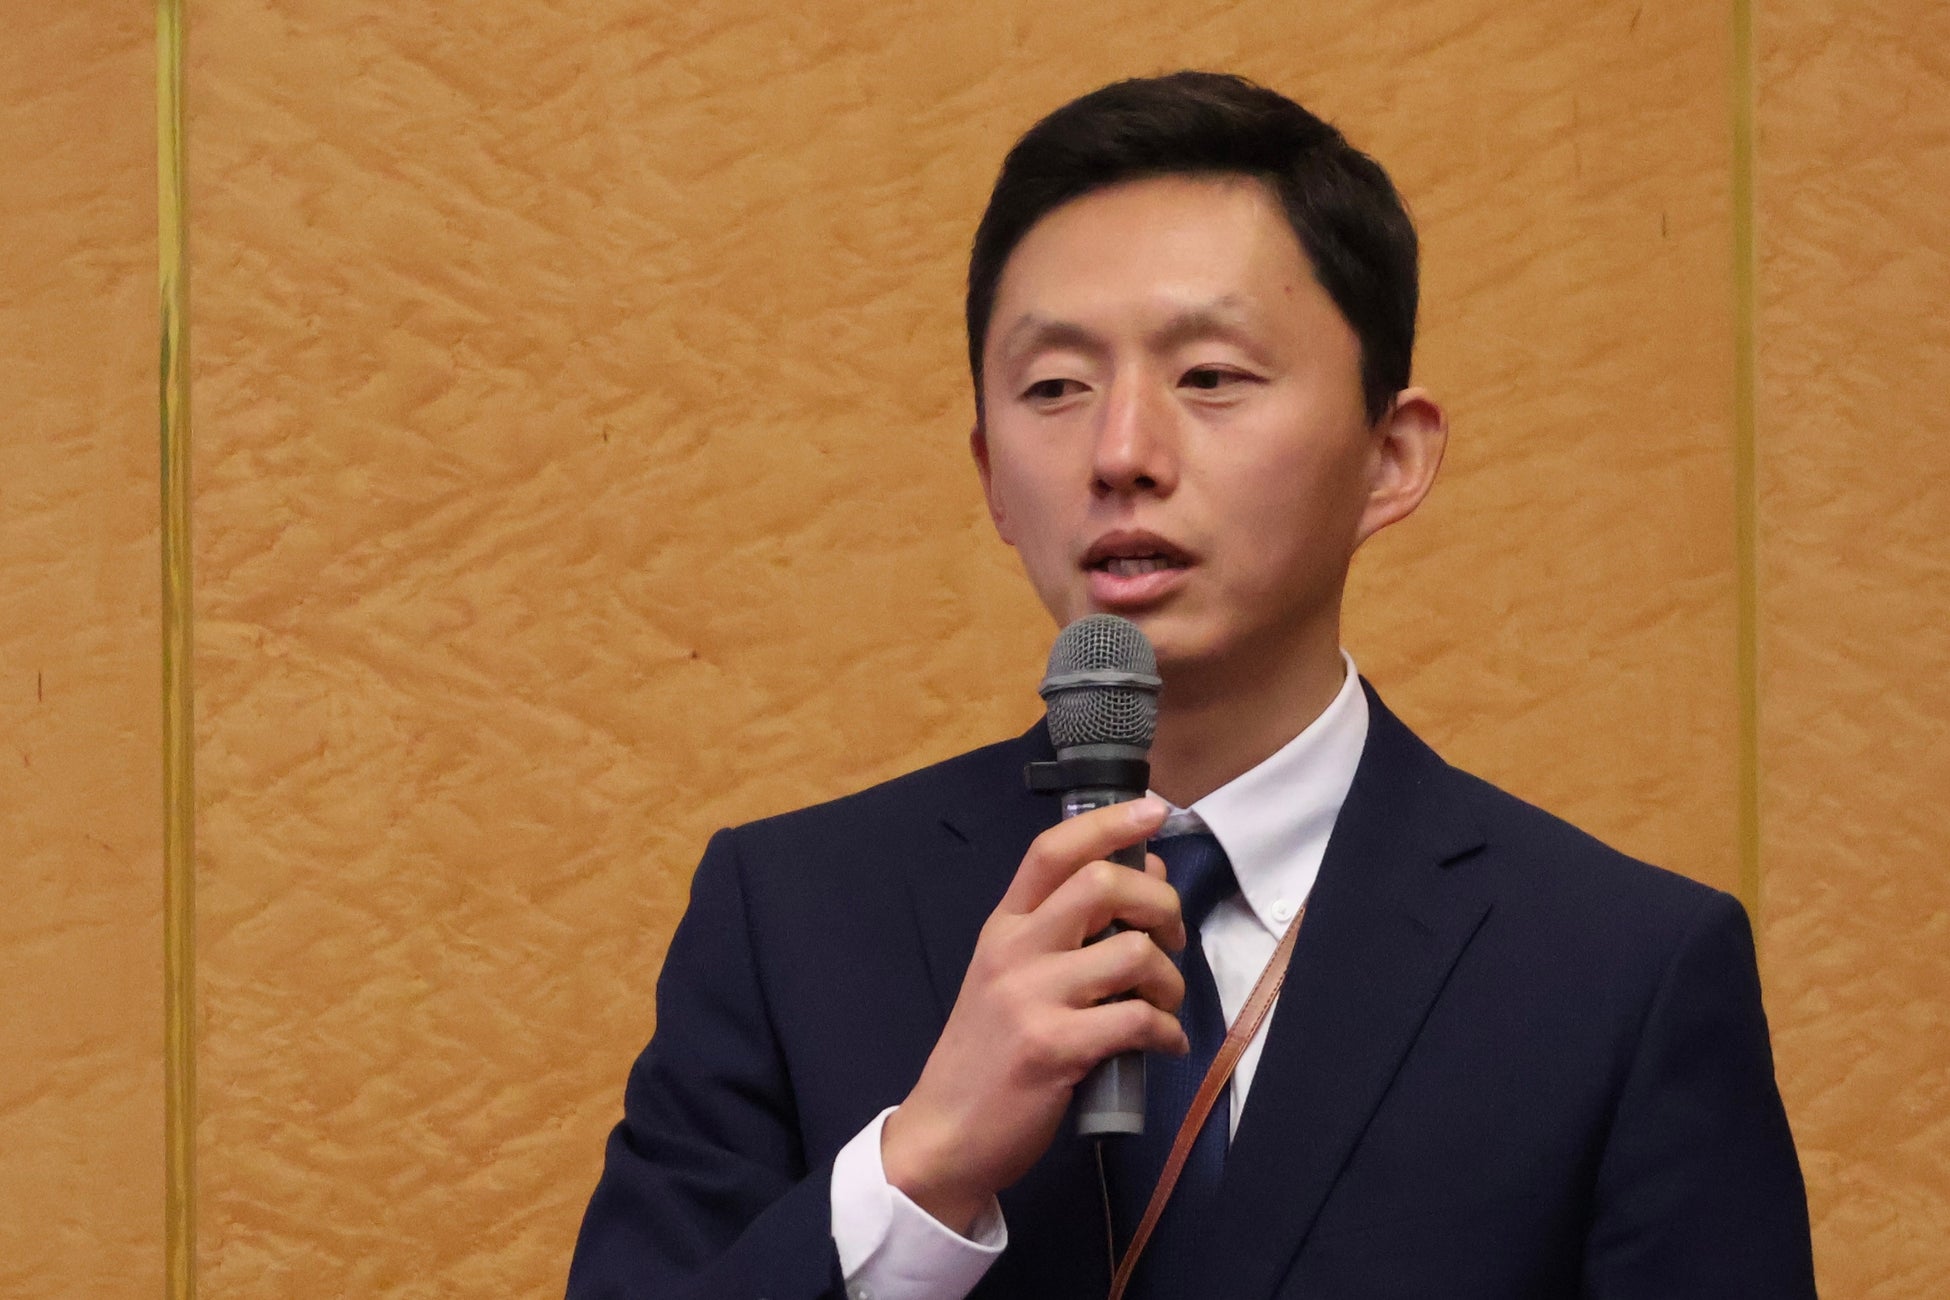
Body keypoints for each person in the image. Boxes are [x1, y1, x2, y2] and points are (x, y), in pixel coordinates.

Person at [566, 72, 1815, 1299]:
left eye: (1210, 376)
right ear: (992, 475)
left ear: (1391, 456)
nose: (1120, 453)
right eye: (1055, 388)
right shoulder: (791, 919)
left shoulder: (1617, 971)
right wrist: (920, 1170)